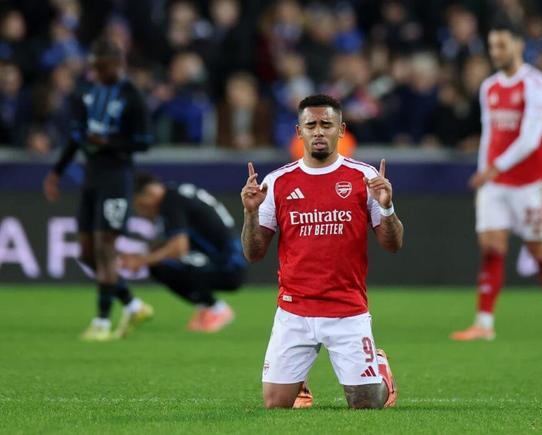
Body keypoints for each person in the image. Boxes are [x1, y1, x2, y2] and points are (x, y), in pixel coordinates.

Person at [241, 94, 403, 409]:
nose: (318, 131)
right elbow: (253, 253)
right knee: (275, 405)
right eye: (311, 125)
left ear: (341, 130)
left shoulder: (364, 177)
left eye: (326, 124)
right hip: (294, 310)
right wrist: (250, 213)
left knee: (367, 404)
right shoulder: (277, 182)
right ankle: (297, 382)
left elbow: (392, 244)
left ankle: (380, 367)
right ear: (298, 131)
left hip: (347, 309)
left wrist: (387, 207)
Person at [450, 20, 542, 342]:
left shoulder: (537, 84)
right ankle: (484, 323)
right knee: (491, 248)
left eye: (502, 45)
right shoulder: (489, 87)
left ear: (519, 45)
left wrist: (493, 168)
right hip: (494, 184)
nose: (496, 52)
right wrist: (485, 174)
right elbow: (489, 135)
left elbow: (530, 139)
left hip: (530, 184)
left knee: (539, 252)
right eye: (492, 46)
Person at [43, 39, 153, 341]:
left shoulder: (132, 97)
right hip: (91, 178)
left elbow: (144, 142)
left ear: (117, 64)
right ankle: (133, 305)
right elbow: (76, 136)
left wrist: (109, 143)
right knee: (86, 252)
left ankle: (102, 322)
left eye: (101, 67)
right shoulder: (86, 92)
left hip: (117, 177)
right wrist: (57, 171)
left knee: (105, 247)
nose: (96, 73)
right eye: (94, 67)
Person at [119, 173, 246, 333]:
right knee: (160, 259)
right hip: (230, 261)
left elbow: (178, 249)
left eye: (140, 205)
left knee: (162, 266)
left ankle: (217, 309)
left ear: (150, 193)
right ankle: (206, 307)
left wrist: (140, 261)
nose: (141, 212)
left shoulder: (170, 202)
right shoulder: (176, 194)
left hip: (228, 267)